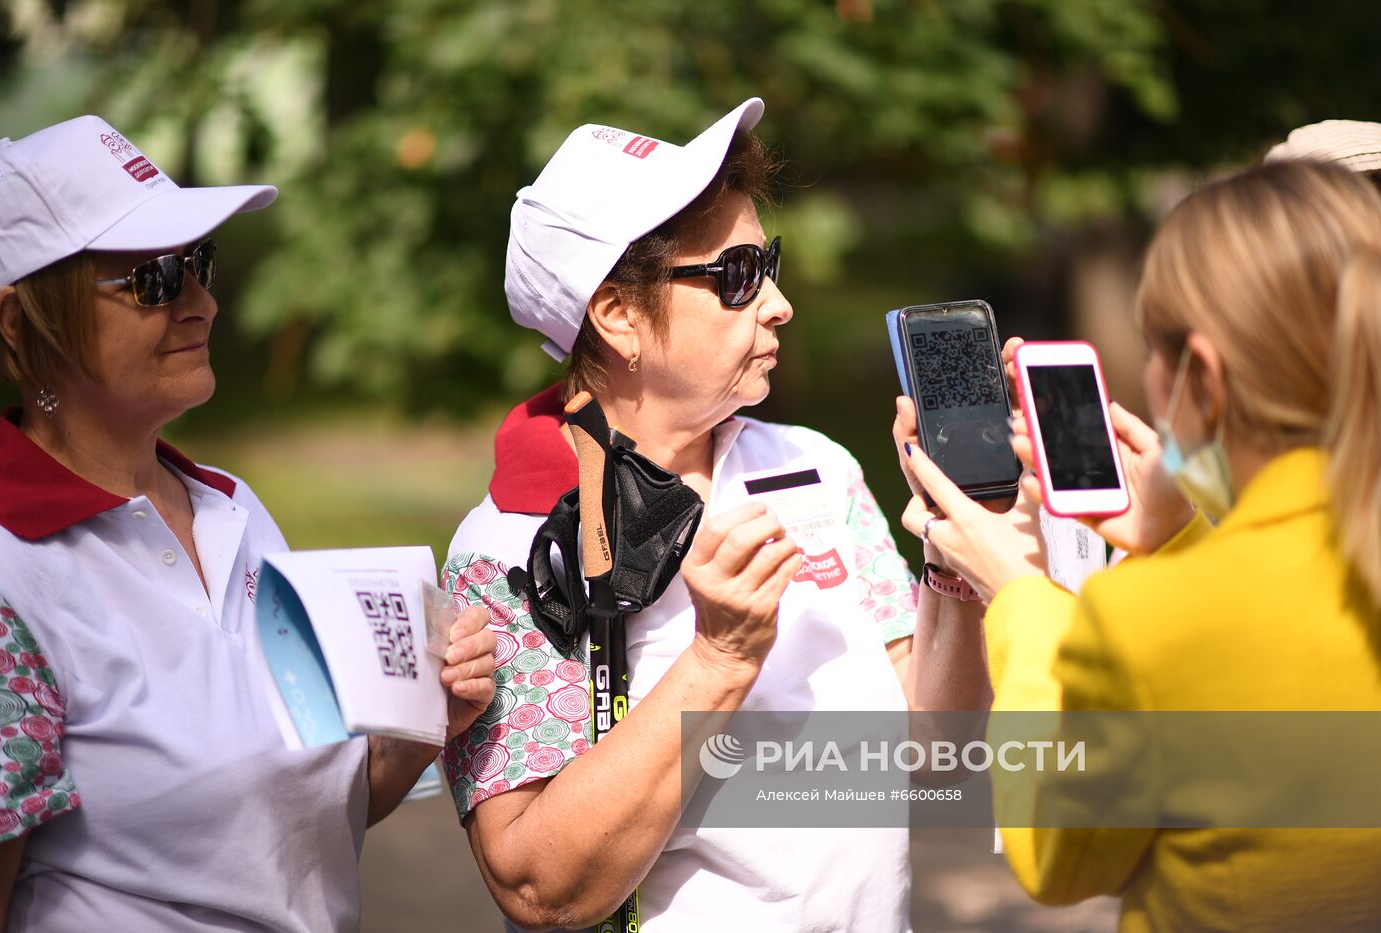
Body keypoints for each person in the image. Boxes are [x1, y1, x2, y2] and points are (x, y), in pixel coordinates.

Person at [441, 99, 997, 932]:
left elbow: (934, 756)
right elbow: (536, 887)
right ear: (617, 314)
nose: (779, 303)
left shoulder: (817, 467)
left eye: (767, 263)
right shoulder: (510, 546)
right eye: (737, 276)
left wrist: (952, 556)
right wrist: (718, 657)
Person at [0, 116, 499, 932]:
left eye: (200, 264)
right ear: (22, 324)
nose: (203, 303)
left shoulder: (234, 507)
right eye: (155, 279)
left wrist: (424, 726)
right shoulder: (0, 574)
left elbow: (299, 822)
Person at [897, 160, 1381, 929]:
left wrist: (1023, 596)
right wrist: (1182, 535)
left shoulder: (1145, 621)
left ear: (1206, 381)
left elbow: (1055, 854)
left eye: (1152, 346)